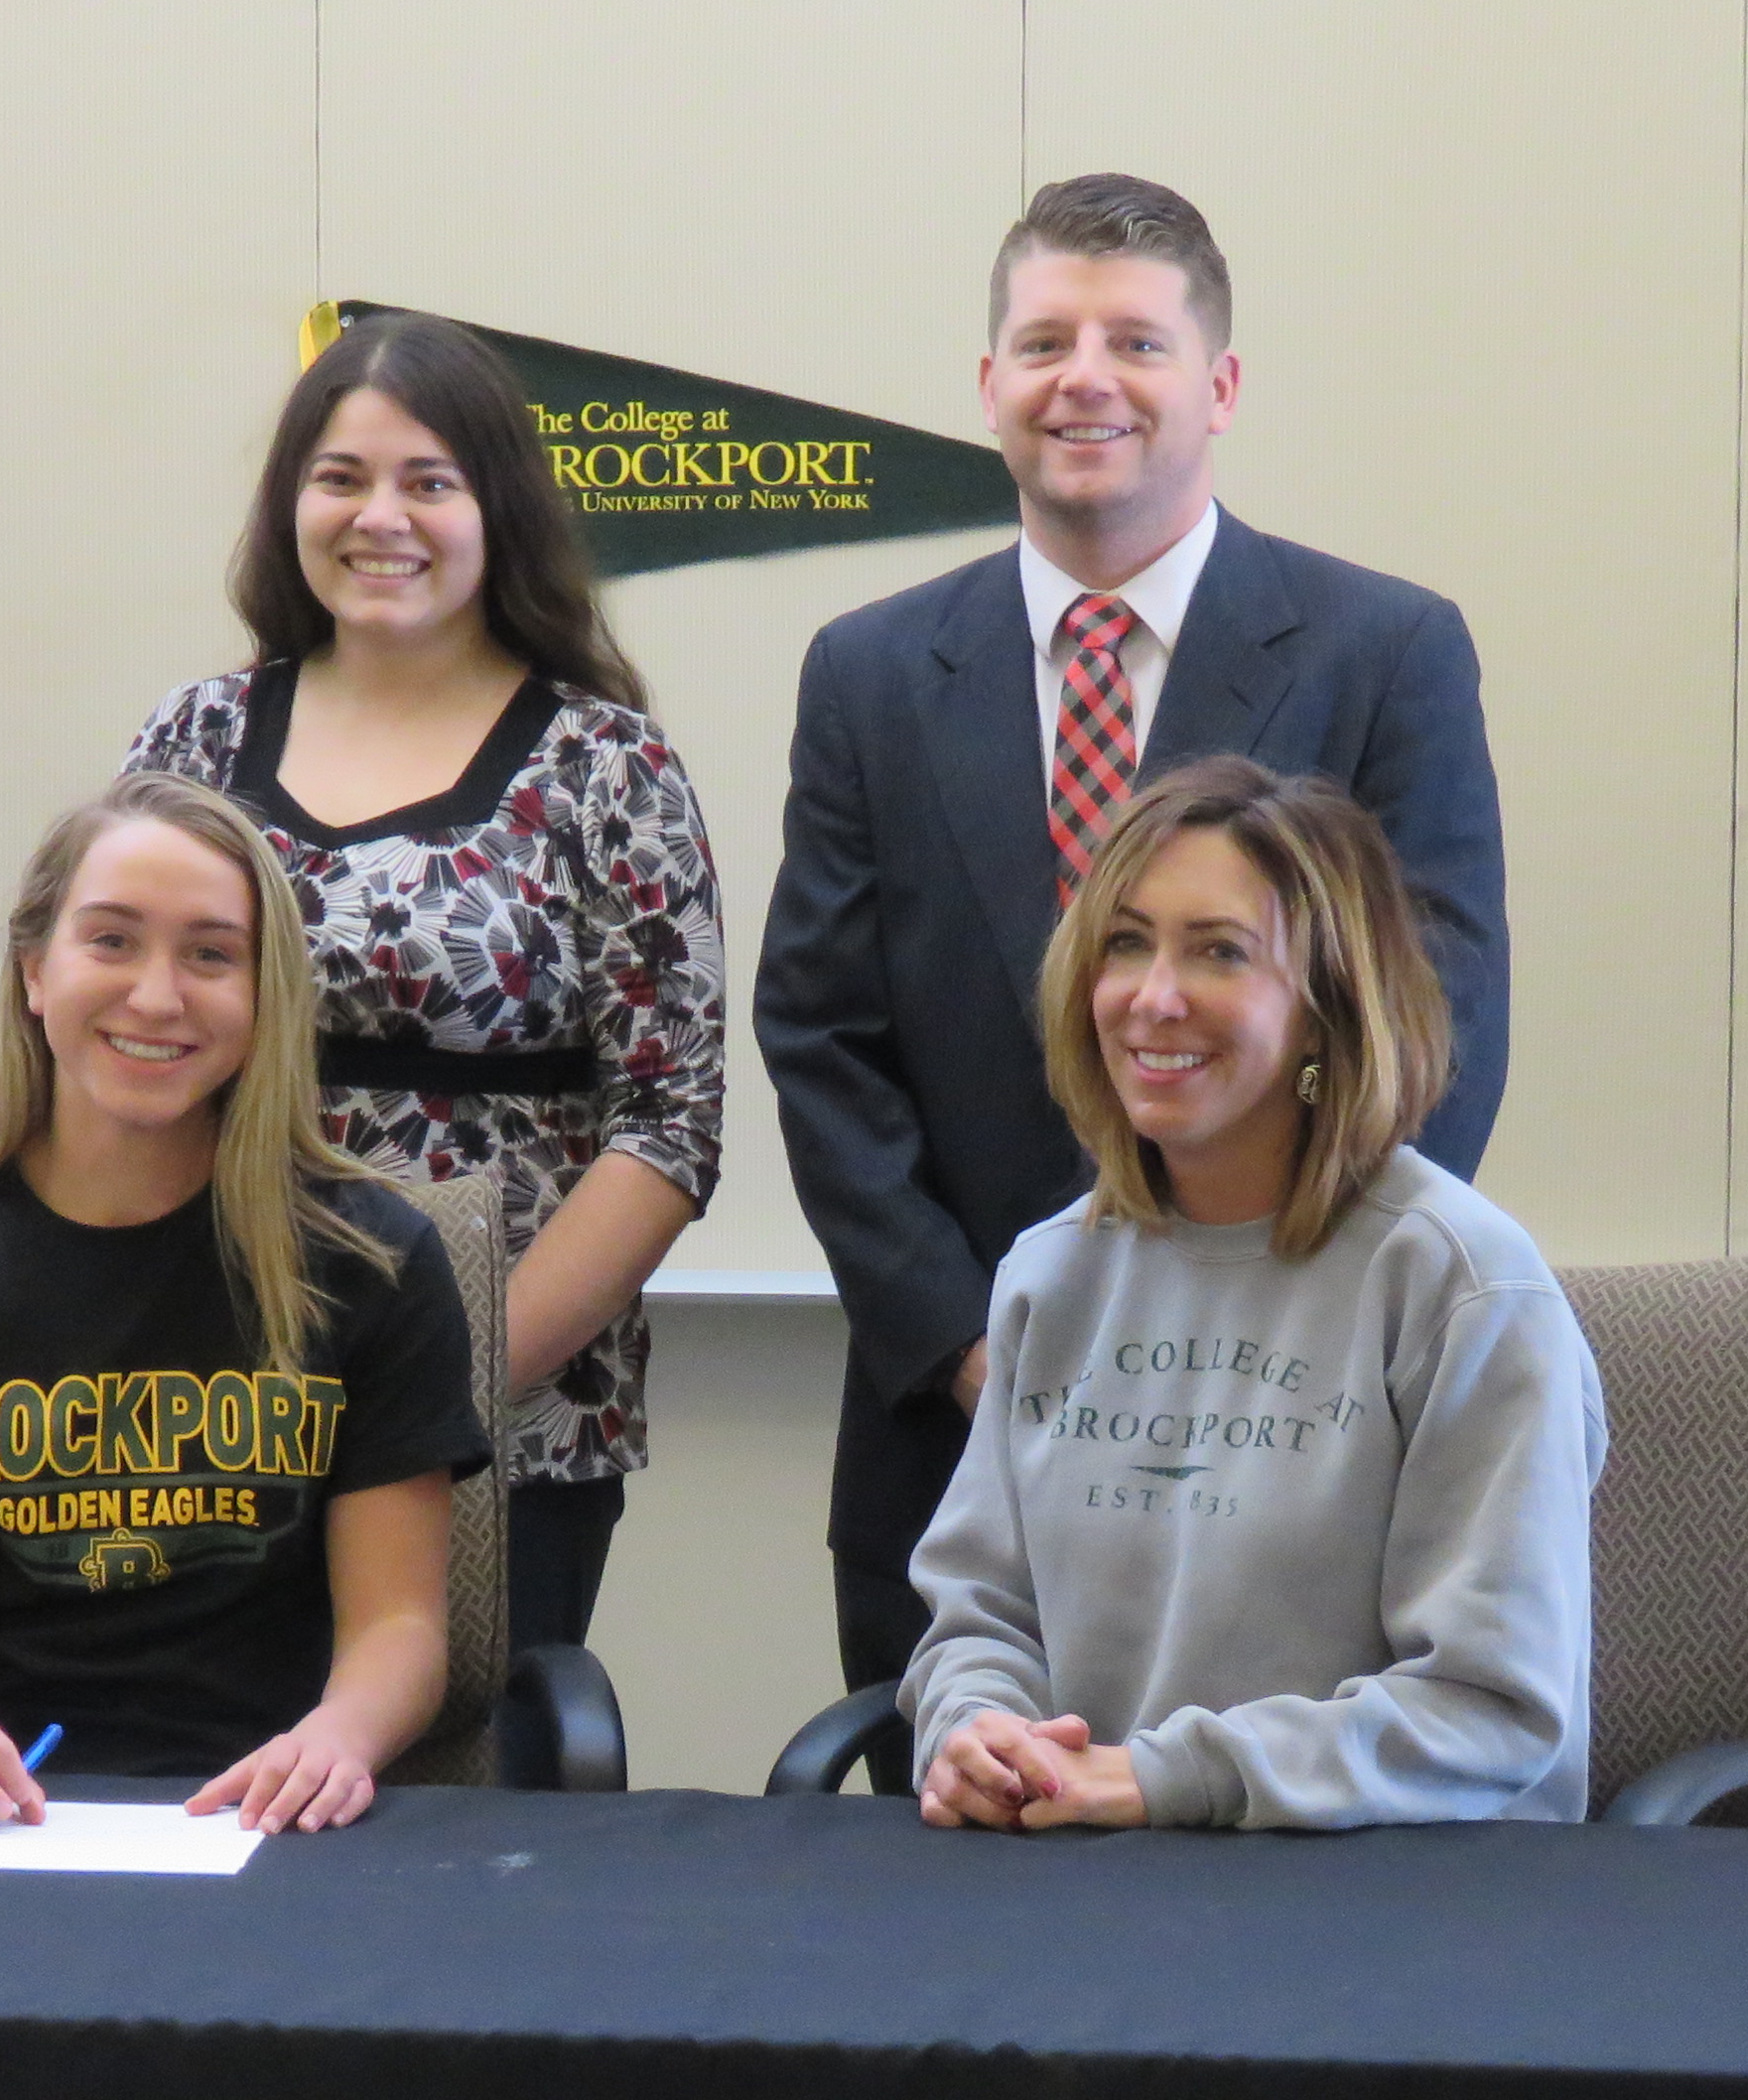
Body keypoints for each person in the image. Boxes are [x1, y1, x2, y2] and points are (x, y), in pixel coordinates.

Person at [755, 174, 1513, 1692]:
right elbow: (823, 1037)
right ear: (990, 384)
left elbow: (1436, 1016)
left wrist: (1281, 1312)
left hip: (1296, 1414)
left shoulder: (1384, 652)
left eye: (1137, 343)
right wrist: (975, 1342)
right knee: (959, 1823)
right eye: (1045, 343)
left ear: (1218, 386)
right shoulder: (871, 672)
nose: (1084, 379)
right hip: (955, 1429)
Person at [130, 312, 723, 1654]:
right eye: (340, 478)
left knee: (470, 1774)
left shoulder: (608, 767)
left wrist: (440, 1382)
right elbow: (109, 1047)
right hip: (207, 1398)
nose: (380, 517)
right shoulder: (194, 737)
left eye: (429, 481)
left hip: (501, 1416)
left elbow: (670, 1124)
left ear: (497, 508)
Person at [0, 776, 489, 1833]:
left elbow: (401, 1630)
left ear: (265, 994)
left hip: (263, 1819)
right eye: (111, 941)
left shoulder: (373, 1262)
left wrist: (338, 1738)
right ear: (34, 970)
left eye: (211, 955)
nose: (158, 997)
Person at [904, 758, 1600, 1833]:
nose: (1153, 997)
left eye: (1219, 951)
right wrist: (979, 1731)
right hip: (1084, 1873)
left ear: (1325, 1007)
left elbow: (1491, 1708)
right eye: (1126, 944)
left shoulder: (1462, 1286)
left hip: (1392, 1894)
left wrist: (1167, 1779)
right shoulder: (1052, 1273)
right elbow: (982, 1617)